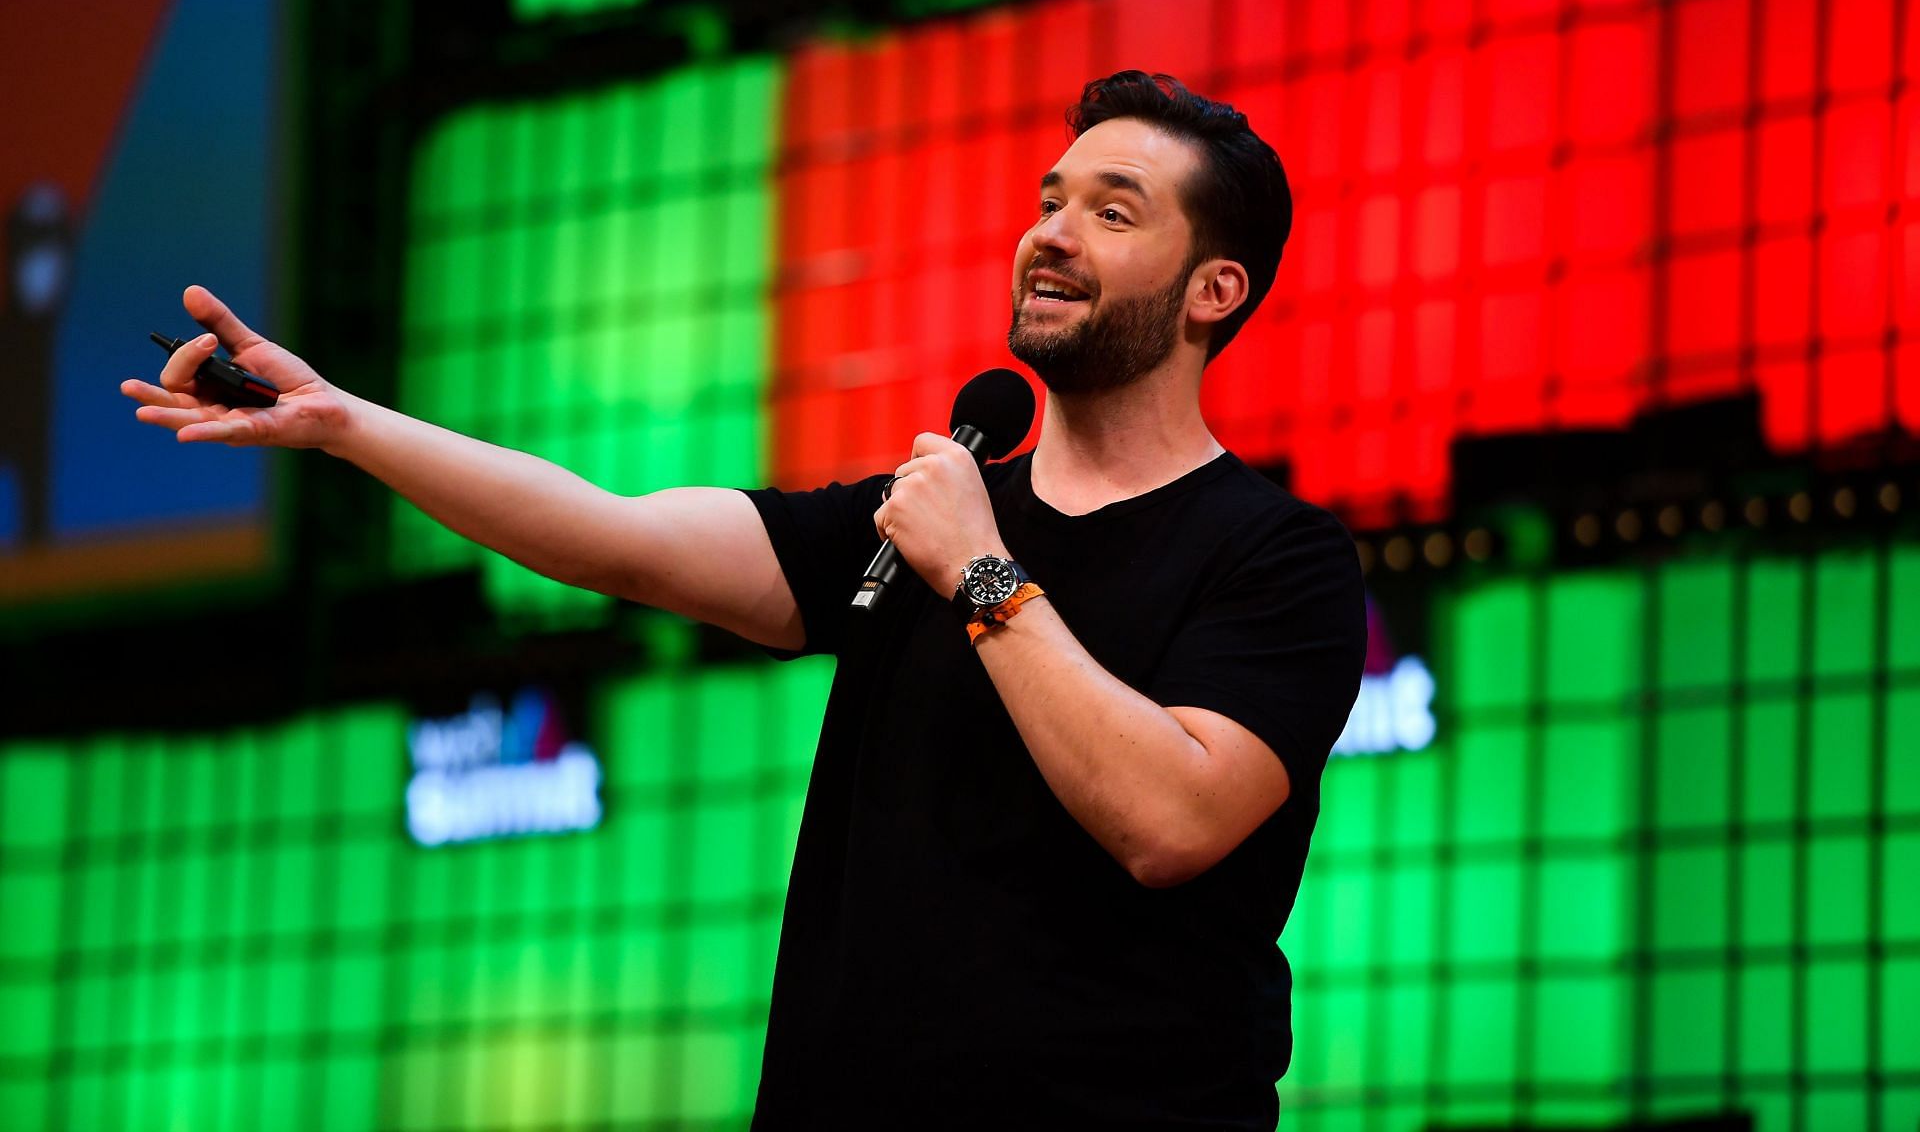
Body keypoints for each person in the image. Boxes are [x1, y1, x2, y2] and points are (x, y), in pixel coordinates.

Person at [124, 71, 1366, 1129]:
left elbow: (1172, 819)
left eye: (1111, 211)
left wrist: (982, 573)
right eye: (1049, 200)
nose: (1052, 232)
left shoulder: (1273, 555)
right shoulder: (917, 511)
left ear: (1214, 290)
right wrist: (348, 425)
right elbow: (616, 539)